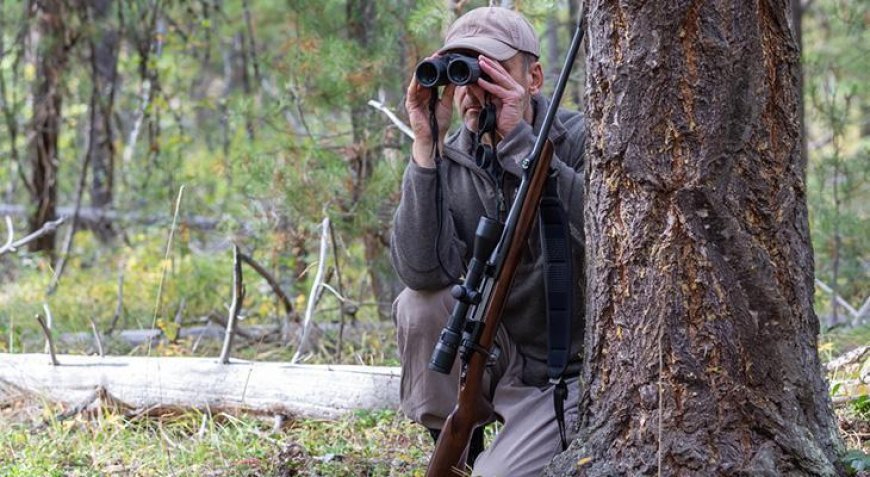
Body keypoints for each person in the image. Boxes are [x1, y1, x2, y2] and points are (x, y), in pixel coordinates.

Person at [390, 6, 585, 476]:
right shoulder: (452, 156)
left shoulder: (580, 138)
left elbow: (602, 231)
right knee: (418, 305)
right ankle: (456, 446)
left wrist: (520, 143)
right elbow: (421, 271)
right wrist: (426, 148)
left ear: (533, 77)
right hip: (496, 352)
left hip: (562, 371)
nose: (475, 91)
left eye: (491, 70)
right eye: (464, 72)